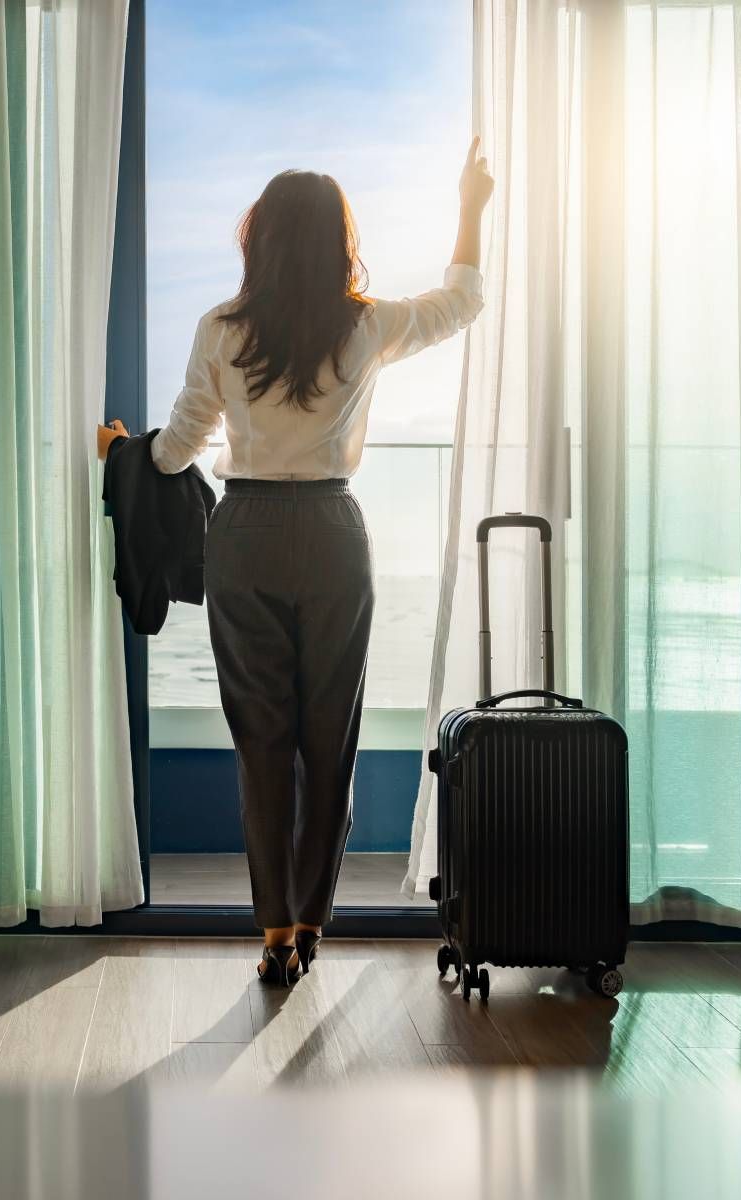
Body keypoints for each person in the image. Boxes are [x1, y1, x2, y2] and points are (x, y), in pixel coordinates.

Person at [99, 137, 493, 985]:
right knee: (330, 744)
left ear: (259, 240)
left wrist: (123, 451)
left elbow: (174, 455)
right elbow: (462, 301)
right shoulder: (367, 325)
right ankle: (313, 922)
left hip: (242, 537)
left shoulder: (220, 329)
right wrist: (470, 206)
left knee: (262, 748)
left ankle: (274, 931)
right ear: (336, 243)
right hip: (333, 536)